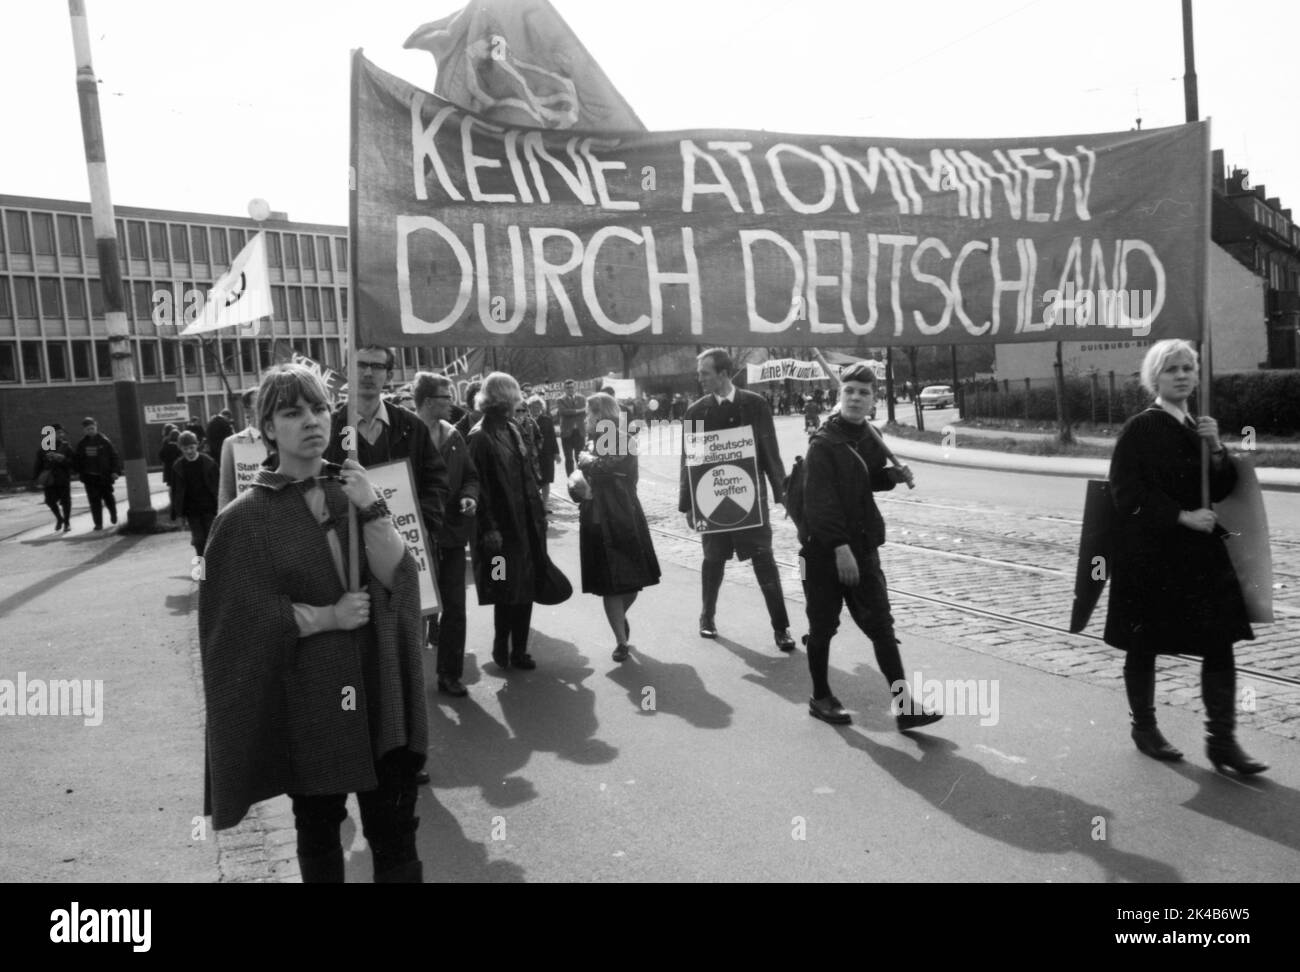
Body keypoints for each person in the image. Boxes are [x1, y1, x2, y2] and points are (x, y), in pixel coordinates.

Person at [199, 362, 428, 882]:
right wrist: (326, 617)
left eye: (320, 407)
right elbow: (238, 624)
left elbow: (401, 581)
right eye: (292, 411)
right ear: (266, 429)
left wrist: (370, 507)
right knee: (320, 829)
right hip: (312, 705)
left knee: (396, 833)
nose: (311, 420)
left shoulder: (355, 490)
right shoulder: (244, 519)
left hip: (377, 689)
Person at [1105, 339, 1265, 775]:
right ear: (1154, 378)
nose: (1181, 375)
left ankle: (1222, 741)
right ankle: (1145, 728)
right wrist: (1179, 516)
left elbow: (1225, 484)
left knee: (1220, 643)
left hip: (1200, 556)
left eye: (1188, 368)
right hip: (1153, 556)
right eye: (1171, 368)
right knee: (1145, 644)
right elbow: (1125, 492)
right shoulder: (1142, 428)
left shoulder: (1200, 426)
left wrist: (1216, 448)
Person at [799, 364, 942, 730]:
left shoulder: (870, 437)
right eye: (850, 391)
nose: (856, 398)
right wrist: (840, 548)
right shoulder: (823, 443)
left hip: (862, 547)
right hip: (826, 553)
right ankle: (820, 696)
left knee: (880, 624)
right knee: (822, 626)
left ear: (874, 400)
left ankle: (904, 703)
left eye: (864, 392)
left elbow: (867, 481)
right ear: (839, 395)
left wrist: (890, 477)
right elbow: (820, 504)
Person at [678, 348, 796, 651]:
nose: (700, 378)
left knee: (765, 562)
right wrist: (689, 504)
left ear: (723, 374)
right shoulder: (695, 412)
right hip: (711, 503)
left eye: (705, 373)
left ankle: (781, 628)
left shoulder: (755, 405)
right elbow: (688, 462)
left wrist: (784, 495)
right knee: (713, 561)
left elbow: (770, 452)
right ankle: (707, 616)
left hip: (751, 503)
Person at [324, 345, 449, 548]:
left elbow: (436, 479)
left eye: (377, 366)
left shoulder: (412, 426)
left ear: (389, 375)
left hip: (408, 543)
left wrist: (425, 522)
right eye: (361, 365)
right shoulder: (329, 428)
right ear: (347, 371)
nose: (367, 373)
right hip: (349, 549)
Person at [467, 372, 550, 672]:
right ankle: (502, 644)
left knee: (525, 587)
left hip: (525, 524)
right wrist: (488, 527)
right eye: (515, 395)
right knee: (504, 588)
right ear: (504, 398)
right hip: (500, 530)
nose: (519, 401)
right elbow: (479, 486)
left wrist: (539, 515)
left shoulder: (512, 428)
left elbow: (528, 473)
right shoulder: (480, 436)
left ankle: (520, 650)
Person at [574, 393, 660, 662]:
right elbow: (587, 475)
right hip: (596, 515)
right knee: (609, 584)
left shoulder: (623, 439)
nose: (586, 419)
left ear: (599, 414)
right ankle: (621, 641)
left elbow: (604, 468)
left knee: (632, 581)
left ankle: (619, 619)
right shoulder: (592, 440)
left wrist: (585, 460)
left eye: (589, 414)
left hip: (623, 514)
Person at [412, 372, 480, 698]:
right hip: (414, 537)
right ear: (427, 401)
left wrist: (470, 496)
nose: (451, 403)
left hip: (451, 534)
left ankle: (449, 675)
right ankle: (407, 681)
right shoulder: (405, 436)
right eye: (445, 397)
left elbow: (470, 476)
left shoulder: (454, 436)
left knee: (455, 606)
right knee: (414, 609)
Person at [171, 431, 220, 558]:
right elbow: (175, 491)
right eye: (185, 448)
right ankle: (202, 573)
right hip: (191, 509)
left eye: (191, 447)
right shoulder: (178, 466)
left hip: (210, 507)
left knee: (211, 539)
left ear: (197, 445)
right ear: (180, 448)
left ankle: (214, 570)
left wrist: (221, 504)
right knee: (198, 540)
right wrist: (178, 514)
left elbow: (218, 485)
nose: (189, 451)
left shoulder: (208, 462)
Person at [218, 388, 266, 511]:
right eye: (258, 404)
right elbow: (226, 490)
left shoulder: (283, 439)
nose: (265, 409)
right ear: (247, 411)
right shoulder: (232, 444)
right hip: (248, 515)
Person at [74, 417, 121, 531]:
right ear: (84, 430)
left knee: (108, 498)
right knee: (94, 501)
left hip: (104, 476)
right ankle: (98, 523)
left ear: (96, 427)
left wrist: (114, 471)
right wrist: (79, 473)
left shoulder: (104, 441)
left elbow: (113, 456)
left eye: (92, 428)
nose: (90, 430)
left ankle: (113, 513)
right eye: (88, 429)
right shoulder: (82, 444)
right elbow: (78, 460)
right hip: (90, 477)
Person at [34, 423, 74, 533]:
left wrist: (62, 459)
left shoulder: (66, 447)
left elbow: (73, 463)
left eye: (62, 432)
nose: (61, 435)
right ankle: (59, 519)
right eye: (58, 432)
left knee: (66, 501)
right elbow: (38, 464)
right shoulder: (44, 447)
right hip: (50, 480)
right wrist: (36, 479)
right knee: (49, 501)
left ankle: (66, 523)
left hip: (63, 478)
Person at [529, 395, 559, 506]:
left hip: (546, 454)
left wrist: (556, 453)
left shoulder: (547, 420)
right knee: (534, 480)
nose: (536, 409)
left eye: (538, 406)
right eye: (533, 406)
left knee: (546, 480)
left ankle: (545, 505)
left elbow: (552, 437)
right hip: (533, 455)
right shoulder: (526, 420)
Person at [556, 378, 587, 474]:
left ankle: (581, 478)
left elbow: (585, 412)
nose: (570, 389)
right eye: (568, 387)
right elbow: (564, 412)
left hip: (579, 431)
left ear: (575, 388)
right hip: (567, 433)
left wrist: (575, 412)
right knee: (569, 458)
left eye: (572, 387)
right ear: (564, 389)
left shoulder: (582, 398)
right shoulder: (560, 400)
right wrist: (578, 411)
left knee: (580, 457)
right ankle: (570, 479)